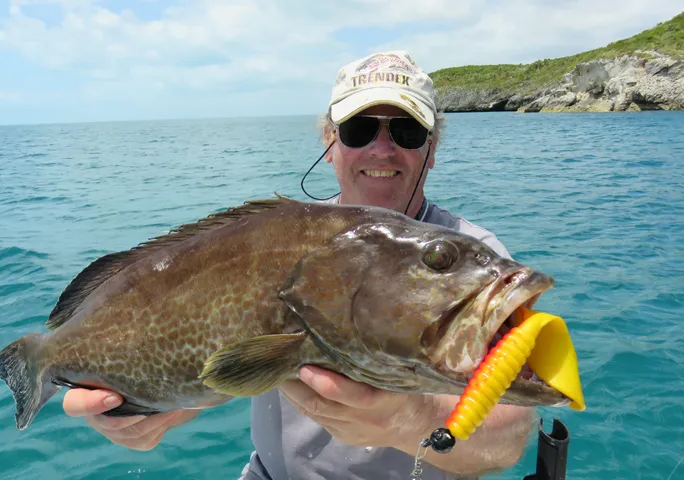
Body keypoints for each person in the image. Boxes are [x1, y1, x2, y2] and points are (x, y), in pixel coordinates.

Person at [62, 51, 536, 479]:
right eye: (359, 130)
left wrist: (408, 418)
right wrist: (148, 411)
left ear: (430, 151)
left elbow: (510, 435)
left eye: (407, 131)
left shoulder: (473, 259)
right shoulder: (277, 242)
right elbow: (216, 362)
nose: (381, 149)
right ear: (331, 143)